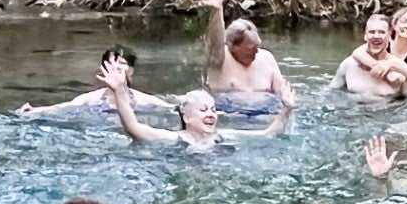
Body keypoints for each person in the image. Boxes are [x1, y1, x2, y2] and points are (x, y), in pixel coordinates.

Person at [98, 57, 291, 152]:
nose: (211, 114)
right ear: (187, 117)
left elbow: (269, 134)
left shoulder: (224, 137)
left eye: (214, 110)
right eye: (203, 109)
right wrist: (120, 91)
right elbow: (134, 128)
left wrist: (287, 108)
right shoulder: (174, 139)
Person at [194, 0, 296, 108]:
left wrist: (287, 100)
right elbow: (215, 42)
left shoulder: (266, 58)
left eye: (257, 46)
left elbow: (283, 91)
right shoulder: (220, 59)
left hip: (264, 115)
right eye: (251, 48)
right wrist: (217, 9)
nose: (256, 52)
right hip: (230, 116)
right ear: (234, 46)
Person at [16, 47, 173, 115]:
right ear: (103, 68)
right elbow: (64, 107)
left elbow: (174, 109)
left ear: (131, 70)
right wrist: (36, 111)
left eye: (123, 64)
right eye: (112, 64)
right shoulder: (90, 100)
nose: (116, 69)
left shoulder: (145, 101)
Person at [342, 6, 407, 96]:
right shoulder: (384, 41)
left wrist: (392, 64)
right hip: (383, 91)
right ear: (394, 24)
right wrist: (377, 66)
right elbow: (357, 53)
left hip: (406, 96)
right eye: (404, 21)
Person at [327, 14, 407, 98]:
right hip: (353, 110)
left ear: (390, 35)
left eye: (382, 32)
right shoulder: (348, 64)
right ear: (365, 35)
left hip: (386, 109)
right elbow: (331, 93)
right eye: (372, 32)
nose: (376, 36)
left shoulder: (399, 67)